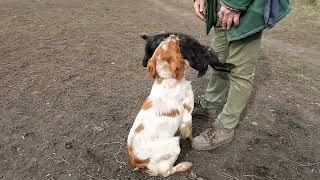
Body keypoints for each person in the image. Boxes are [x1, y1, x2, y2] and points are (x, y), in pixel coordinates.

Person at [191, 0, 291, 150]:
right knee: (219, 62)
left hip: (246, 9)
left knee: (240, 72)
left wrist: (235, 4)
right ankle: (209, 105)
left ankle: (225, 127)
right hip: (219, 6)